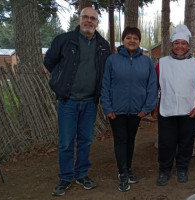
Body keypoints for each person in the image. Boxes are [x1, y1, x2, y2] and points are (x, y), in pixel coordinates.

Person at [43, 7, 111, 196]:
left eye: (93, 18)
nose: (89, 21)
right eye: (86, 17)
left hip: (90, 102)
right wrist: (58, 81)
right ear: (79, 19)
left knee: (86, 140)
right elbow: (49, 62)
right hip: (69, 101)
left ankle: (81, 174)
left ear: (97, 22)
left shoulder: (102, 45)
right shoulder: (64, 41)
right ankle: (65, 176)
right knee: (66, 142)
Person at [101, 27, 157, 192]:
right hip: (116, 110)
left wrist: (146, 108)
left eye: (135, 38)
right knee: (120, 139)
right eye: (128, 38)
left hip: (136, 110)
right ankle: (123, 173)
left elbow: (152, 86)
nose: (132, 41)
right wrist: (107, 107)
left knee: (131, 139)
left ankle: (128, 168)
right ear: (123, 40)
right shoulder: (113, 60)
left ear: (139, 41)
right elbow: (105, 85)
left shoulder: (146, 61)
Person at [151, 24, 195, 186]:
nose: (180, 46)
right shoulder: (162, 63)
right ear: (172, 45)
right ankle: (164, 170)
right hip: (167, 110)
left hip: (189, 110)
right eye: (177, 43)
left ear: (188, 46)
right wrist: (154, 106)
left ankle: (182, 168)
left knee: (186, 142)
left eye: (183, 43)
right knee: (166, 142)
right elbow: (155, 86)